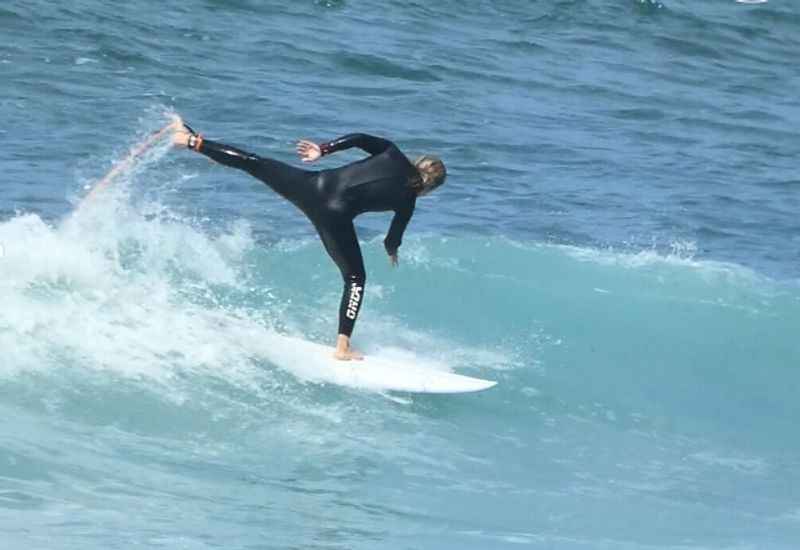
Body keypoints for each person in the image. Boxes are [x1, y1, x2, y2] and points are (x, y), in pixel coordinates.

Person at [171, 118, 446, 360]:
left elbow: (359, 139)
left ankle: (190, 140)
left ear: (419, 161)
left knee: (252, 163)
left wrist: (322, 150)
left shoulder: (392, 152)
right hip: (332, 216)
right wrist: (392, 251)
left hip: (310, 186)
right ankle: (342, 346)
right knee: (355, 279)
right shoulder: (408, 202)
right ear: (430, 188)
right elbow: (391, 239)